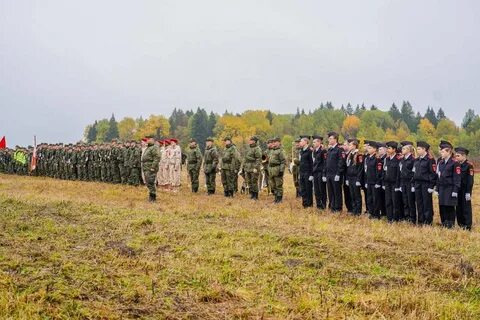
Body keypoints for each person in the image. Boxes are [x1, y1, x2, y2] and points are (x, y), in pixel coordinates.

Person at [436, 141, 461, 228]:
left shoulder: (454, 163)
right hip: (442, 188)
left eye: (443, 151)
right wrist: (437, 189)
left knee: (449, 207)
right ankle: (444, 222)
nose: (441, 153)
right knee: (442, 206)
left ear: (449, 151)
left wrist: (455, 190)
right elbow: (438, 177)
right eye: (441, 151)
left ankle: (450, 224)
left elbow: (457, 178)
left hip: (450, 188)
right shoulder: (441, 163)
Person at [412, 141, 437, 225]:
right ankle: (421, 220)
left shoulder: (430, 160)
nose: (417, 150)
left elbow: (433, 174)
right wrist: (413, 184)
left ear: (424, 149)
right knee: (419, 203)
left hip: (426, 184)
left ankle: (428, 221)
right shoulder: (417, 160)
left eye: (419, 149)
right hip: (418, 184)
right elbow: (414, 173)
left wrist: (431, 186)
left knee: (427, 203)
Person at [324, 132, 345, 212]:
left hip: (335, 174)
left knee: (337, 192)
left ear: (335, 139)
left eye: (330, 138)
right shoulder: (329, 150)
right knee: (330, 192)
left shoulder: (339, 149)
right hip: (329, 174)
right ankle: (332, 207)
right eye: (329, 138)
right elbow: (326, 162)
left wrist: (338, 173)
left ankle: (338, 208)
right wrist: (325, 173)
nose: (329, 140)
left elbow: (341, 162)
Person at [454, 147, 474, 230]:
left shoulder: (469, 165)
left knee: (466, 208)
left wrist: (468, 192)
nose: (456, 157)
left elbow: (470, 180)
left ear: (463, 156)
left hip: (465, 190)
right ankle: (461, 224)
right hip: (458, 189)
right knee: (458, 207)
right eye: (456, 156)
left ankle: (467, 225)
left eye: (458, 156)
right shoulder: (457, 164)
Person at [383, 141, 402, 222]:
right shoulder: (387, 159)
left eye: (389, 148)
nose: (387, 149)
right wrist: (384, 182)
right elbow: (384, 171)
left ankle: (395, 218)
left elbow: (398, 173)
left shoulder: (398, 160)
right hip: (387, 183)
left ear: (394, 149)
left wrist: (398, 185)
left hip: (394, 184)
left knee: (395, 202)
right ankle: (389, 218)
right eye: (387, 148)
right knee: (388, 201)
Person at [399, 141, 417, 224]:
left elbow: (414, 173)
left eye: (404, 148)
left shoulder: (413, 160)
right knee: (405, 200)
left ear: (409, 150)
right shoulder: (402, 159)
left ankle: (412, 218)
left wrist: (413, 184)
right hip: (403, 182)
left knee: (410, 201)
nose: (402, 150)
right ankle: (407, 217)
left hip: (410, 182)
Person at [345, 138, 363, 215]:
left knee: (357, 195)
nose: (348, 146)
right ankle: (353, 209)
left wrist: (359, 180)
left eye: (350, 145)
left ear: (355, 146)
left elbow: (360, 168)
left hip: (356, 178)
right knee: (352, 194)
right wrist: (347, 178)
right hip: (350, 177)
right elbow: (348, 167)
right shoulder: (349, 154)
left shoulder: (359, 155)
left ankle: (358, 211)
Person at [141, 135, 160, 202]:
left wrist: (153, 167)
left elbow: (157, 158)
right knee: (148, 182)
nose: (147, 140)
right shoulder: (148, 147)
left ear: (152, 140)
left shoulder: (154, 147)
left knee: (150, 182)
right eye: (147, 139)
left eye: (149, 139)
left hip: (151, 168)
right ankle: (151, 195)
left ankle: (153, 197)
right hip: (146, 167)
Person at [268, 137, 286, 203]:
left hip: (277, 169)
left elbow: (283, 161)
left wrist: (281, 170)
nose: (274, 143)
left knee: (278, 185)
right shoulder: (272, 150)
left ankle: (279, 199)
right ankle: (275, 198)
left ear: (279, 142)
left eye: (275, 142)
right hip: (271, 169)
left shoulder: (281, 151)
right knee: (273, 185)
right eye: (273, 142)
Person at [312, 135, 327, 209]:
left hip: (321, 172)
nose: (313, 143)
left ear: (319, 142)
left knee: (322, 190)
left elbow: (324, 163)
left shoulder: (323, 150)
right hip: (315, 172)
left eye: (314, 142)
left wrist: (324, 174)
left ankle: (323, 204)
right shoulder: (315, 151)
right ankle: (318, 204)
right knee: (316, 189)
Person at [298, 136, 313, 207]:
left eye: (301, 141)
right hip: (302, 172)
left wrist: (311, 174)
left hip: (307, 172)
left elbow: (312, 163)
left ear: (306, 142)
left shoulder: (310, 151)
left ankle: (309, 204)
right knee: (303, 188)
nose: (300, 142)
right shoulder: (301, 151)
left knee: (308, 189)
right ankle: (304, 203)